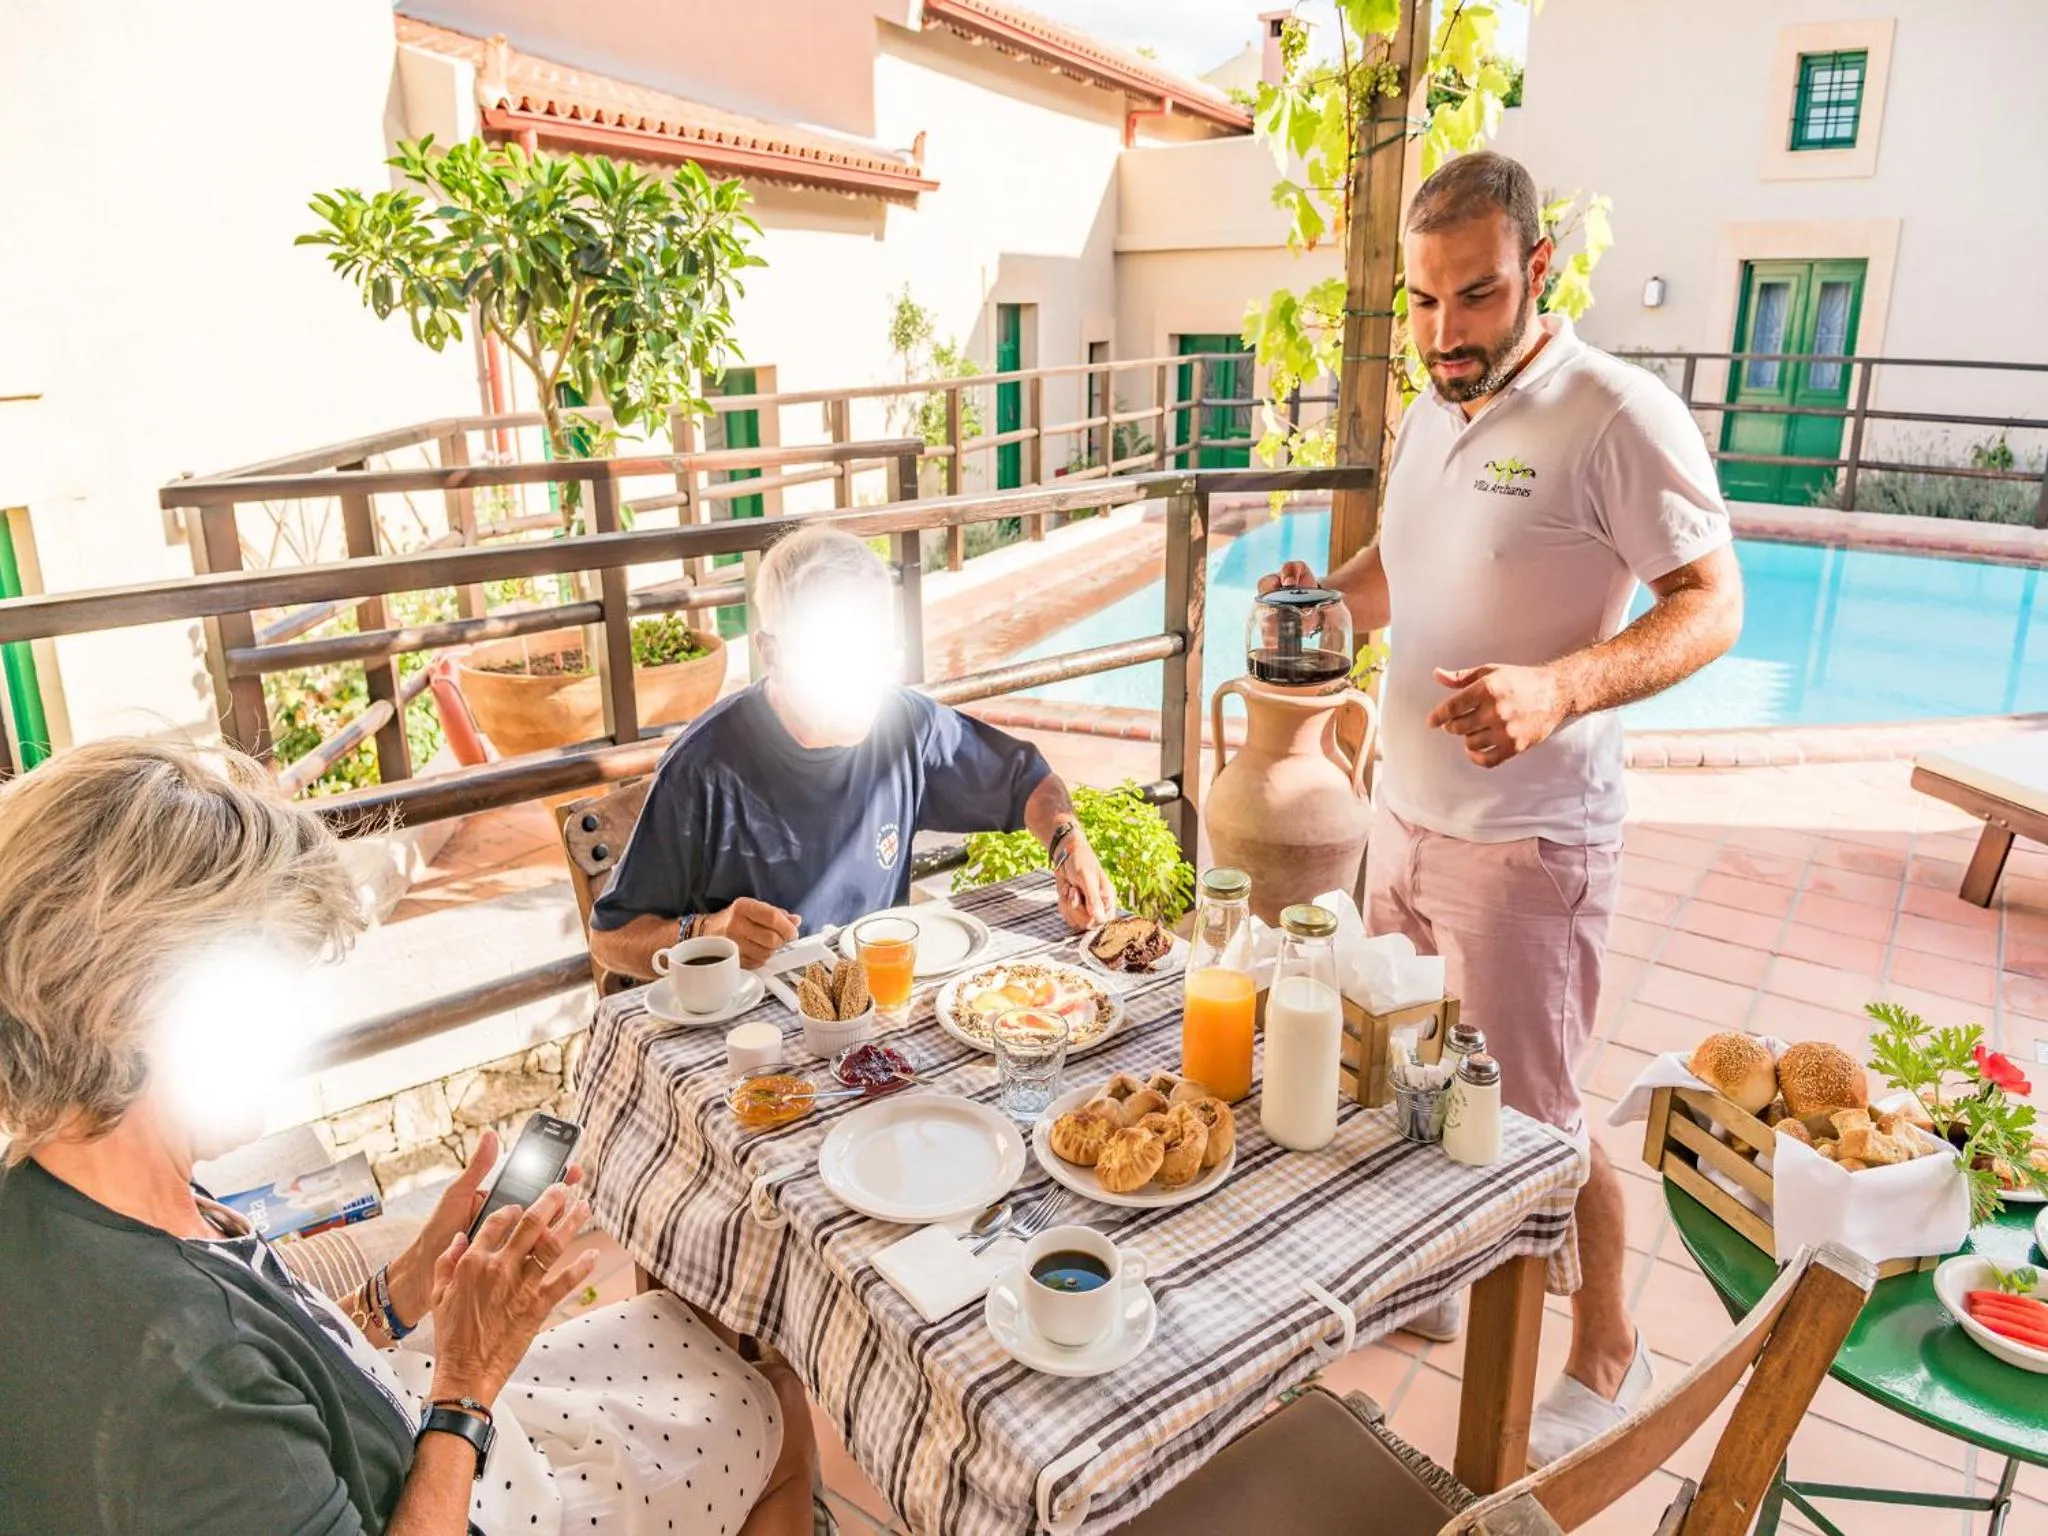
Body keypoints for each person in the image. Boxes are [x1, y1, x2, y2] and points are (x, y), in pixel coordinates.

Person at [0, 739, 820, 1535]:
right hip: (445, 1465)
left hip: (399, 1412)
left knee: (695, 1346)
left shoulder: (68, 1183)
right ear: (130, 1009)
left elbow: (289, 1364)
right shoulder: (186, 1383)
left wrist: (402, 1291)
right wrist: (467, 1384)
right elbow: (241, 1386)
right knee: (772, 1407)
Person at [1264, 152, 1742, 1464]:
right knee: (1415, 1075)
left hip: (1530, 843)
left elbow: (1714, 603)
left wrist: (1562, 686)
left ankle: (1608, 1347)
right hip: (1404, 822)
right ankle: (1441, 1278)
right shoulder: (1434, 407)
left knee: (1535, 1114)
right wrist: (1333, 596)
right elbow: (1402, 568)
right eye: (1422, 304)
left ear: (1537, 269)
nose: (1443, 334)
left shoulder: (1613, 413)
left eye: (1472, 299)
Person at [589, 526, 1115, 977]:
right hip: (757, 1039)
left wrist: (1068, 843)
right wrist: (708, 931)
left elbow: (1029, 782)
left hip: (877, 1012)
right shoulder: (702, 769)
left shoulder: (904, 722)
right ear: (771, 652)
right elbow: (611, 940)